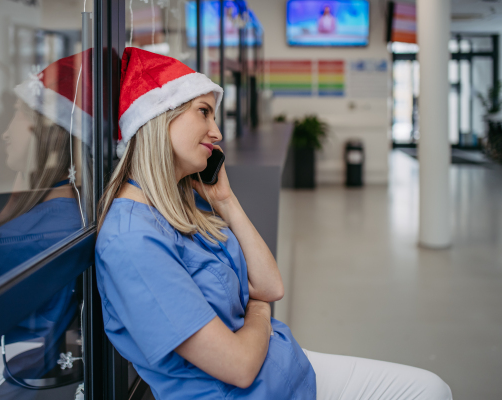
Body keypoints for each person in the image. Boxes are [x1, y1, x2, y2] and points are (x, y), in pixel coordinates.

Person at [95, 48, 453, 399]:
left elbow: (271, 285)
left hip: (282, 367)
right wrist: (260, 311)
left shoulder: (178, 205)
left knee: (432, 388)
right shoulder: (132, 241)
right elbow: (239, 365)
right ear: (159, 118)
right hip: (250, 386)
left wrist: (226, 201)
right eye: (203, 112)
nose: (216, 132)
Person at [0, 49, 93, 387]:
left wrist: (7, 217)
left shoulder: (23, 238)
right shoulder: (77, 215)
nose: (6, 133)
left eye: (16, 115)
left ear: (47, 134)